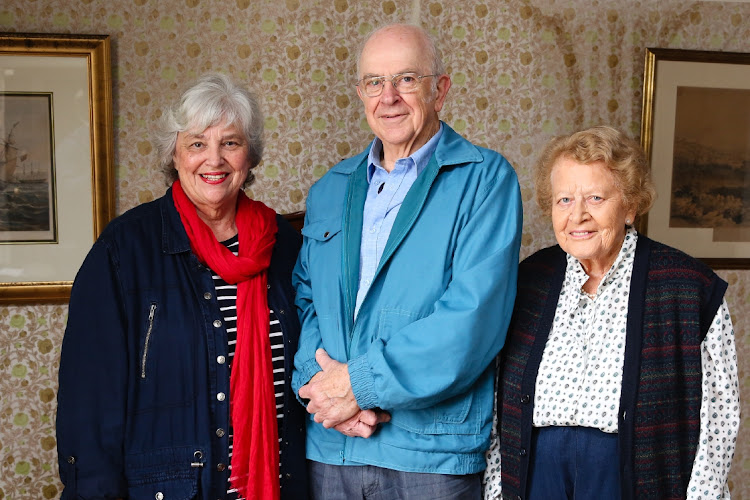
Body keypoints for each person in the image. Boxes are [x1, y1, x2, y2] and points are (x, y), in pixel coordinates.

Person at [292, 23, 523, 499]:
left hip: (430, 454)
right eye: (375, 82)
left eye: (407, 80)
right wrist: (317, 385)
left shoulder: (486, 181)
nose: (389, 96)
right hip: (332, 443)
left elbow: (472, 320)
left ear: (440, 89)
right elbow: (304, 299)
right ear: (361, 93)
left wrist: (358, 385)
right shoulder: (330, 188)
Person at [56, 73, 307, 500]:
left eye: (230, 143)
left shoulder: (286, 245)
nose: (214, 160)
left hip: (283, 485)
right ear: (174, 154)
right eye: (197, 144)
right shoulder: (124, 250)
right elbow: (89, 406)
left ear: (250, 157)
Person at [484, 126, 740, 500]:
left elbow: (719, 414)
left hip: (631, 477)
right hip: (536, 473)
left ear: (630, 206)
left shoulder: (689, 289)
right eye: (564, 200)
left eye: (595, 197)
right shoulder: (526, 282)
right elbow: (494, 401)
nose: (578, 215)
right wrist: (496, 489)